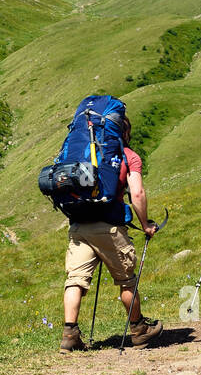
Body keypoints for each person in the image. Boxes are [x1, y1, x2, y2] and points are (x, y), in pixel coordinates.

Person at [60, 115, 162, 352]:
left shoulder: (81, 150)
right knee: (127, 281)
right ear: (124, 133)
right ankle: (138, 329)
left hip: (78, 225)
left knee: (75, 280)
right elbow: (136, 193)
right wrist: (145, 224)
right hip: (109, 226)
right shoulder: (128, 155)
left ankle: (69, 334)